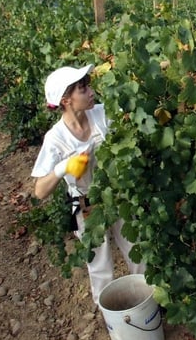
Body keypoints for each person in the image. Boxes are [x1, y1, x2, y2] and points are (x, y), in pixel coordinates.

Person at [31, 64, 145, 306]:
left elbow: (136, 104)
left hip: (117, 196)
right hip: (86, 204)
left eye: (88, 86)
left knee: (138, 252)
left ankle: (146, 302)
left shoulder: (102, 113)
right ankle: (112, 316)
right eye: (83, 89)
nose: (91, 92)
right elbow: (40, 191)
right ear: (66, 100)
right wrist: (63, 169)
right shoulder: (56, 138)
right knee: (100, 265)